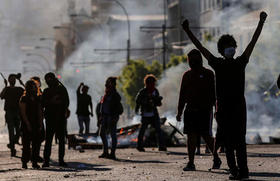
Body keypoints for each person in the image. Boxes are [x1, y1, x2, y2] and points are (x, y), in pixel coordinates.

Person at [181, 11, 267, 179]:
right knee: (234, 142)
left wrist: (261, 23)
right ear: (222, 50)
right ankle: (239, 171)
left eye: (232, 46)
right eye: (228, 46)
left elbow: (253, 41)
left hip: (230, 108)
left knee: (233, 142)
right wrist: (188, 31)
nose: (231, 48)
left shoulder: (231, 63)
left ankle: (238, 171)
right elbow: (201, 48)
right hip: (232, 108)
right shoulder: (232, 63)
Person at [176, 49, 221, 171]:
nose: (193, 62)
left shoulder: (209, 74)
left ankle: (216, 158)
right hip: (190, 110)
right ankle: (191, 163)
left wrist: (216, 110)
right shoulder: (187, 75)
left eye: (195, 59)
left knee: (206, 136)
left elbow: (215, 94)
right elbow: (182, 95)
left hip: (205, 110)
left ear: (200, 60)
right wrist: (179, 111)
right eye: (191, 60)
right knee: (191, 136)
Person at [41, 72, 69, 167]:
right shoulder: (46, 91)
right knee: (48, 141)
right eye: (47, 79)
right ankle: (46, 161)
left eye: (49, 79)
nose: (48, 81)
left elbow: (67, 102)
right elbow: (42, 104)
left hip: (60, 118)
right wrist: (51, 101)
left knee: (61, 141)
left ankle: (61, 160)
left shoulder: (62, 89)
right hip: (50, 119)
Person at [135, 74, 166, 152]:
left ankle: (161, 146)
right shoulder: (142, 92)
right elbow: (137, 101)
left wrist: (157, 101)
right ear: (147, 83)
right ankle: (139, 146)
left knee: (158, 130)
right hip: (145, 114)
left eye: (153, 83)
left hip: (154, 114)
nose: (153, 84)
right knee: (142, 131)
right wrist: (145, 102)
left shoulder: (155, 91)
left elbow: (158, 103)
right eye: (151, 83)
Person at [19, 80, 43, 169]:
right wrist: (28, 124)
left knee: (36, 145)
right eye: (32, 86)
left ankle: (34, 162)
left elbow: (39, 111)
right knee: (26, 145)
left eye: (34, 86)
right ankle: (24, 162)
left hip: (36, 123)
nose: (33, 88)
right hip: (26, 124)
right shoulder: (23, 98)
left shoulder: (37, 98)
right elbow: (23, 113)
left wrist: (40, 123)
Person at [98, 77, 123, 160]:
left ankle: (112, 153)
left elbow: (117, 108)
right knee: (102, 133)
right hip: (105, 117)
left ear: (112, 84)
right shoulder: (106, 94)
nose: (106, 85)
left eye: (108, 83)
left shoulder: (115, 95)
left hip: (111, 117)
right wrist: (100, 116)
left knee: (113, 135)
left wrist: (115, 117)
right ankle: (105, 152)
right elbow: (102, 105)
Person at [0, 74, 24, 157]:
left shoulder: (19, 89)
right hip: (9, 112)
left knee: (18, 131)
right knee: (11, 131)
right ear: (9, 80)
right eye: (11, 79)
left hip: (18, 112)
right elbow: (1, 96)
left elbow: (28, 92)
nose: (13, 81)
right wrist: (5, 86)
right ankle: (12, 148)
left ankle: (12, 143)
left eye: (14, 79)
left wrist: (22, 83)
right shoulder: (7, 89)